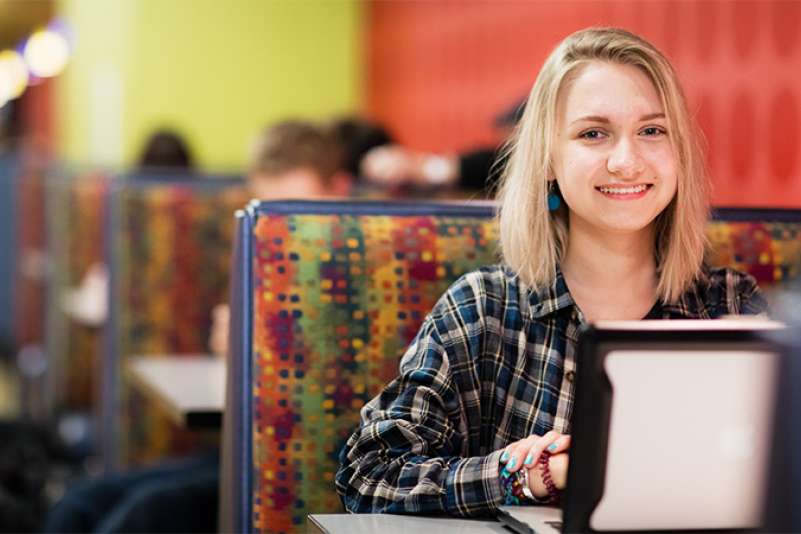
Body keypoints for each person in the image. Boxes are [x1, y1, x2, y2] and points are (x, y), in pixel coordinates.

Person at [335, 27, 767, 516]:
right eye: (592, 133)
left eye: (652, 130)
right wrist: (522, 476)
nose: (627, 161)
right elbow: (368, 474)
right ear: (547, 159)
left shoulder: (729, 304)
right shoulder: (485, 310)